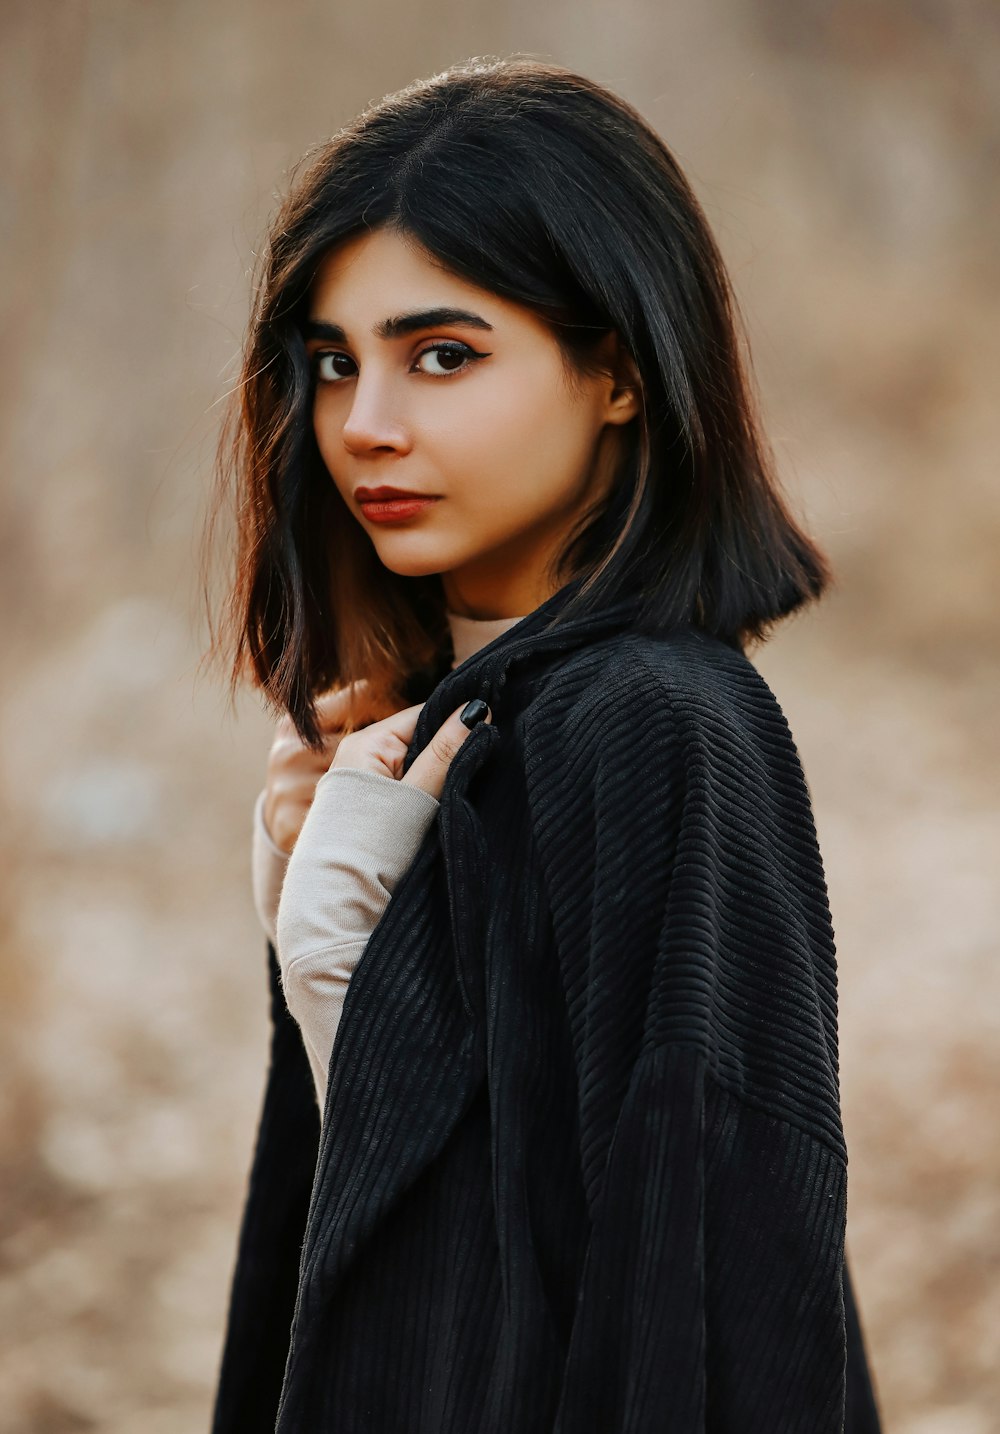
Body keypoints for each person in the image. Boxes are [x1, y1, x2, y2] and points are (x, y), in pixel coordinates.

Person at [204, 54, 883, 1433]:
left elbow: (698, 1285)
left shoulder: (651, 723)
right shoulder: (462, 722)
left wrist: (347, 982)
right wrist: (336, 954)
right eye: (336, 365)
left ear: (619, 372)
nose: (366, 427)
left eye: (443, 355)